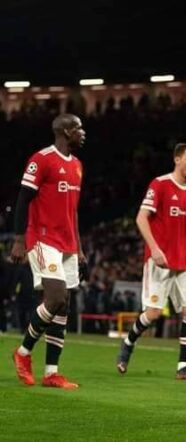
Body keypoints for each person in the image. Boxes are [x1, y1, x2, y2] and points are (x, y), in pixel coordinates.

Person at [116, 143, 186, 381]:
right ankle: (128, 342)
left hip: (184, 261)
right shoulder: (161, 184)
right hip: (159, 260)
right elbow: (141, 218)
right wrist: (154, 249)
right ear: (177, 160)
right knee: (154, 314)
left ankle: (183, 367)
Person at [11, 114, 86, 389]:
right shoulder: (41, 159)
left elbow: (73, 211)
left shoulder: (77, 165)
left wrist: (79, 248)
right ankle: (22, 353)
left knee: (64, 305)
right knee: (55, 298)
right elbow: (23, 199)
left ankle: (52, 372)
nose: (83, 132)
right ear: (65, 131)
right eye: (79, 128)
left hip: (67, 243)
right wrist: (19, 239)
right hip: (42, 239)